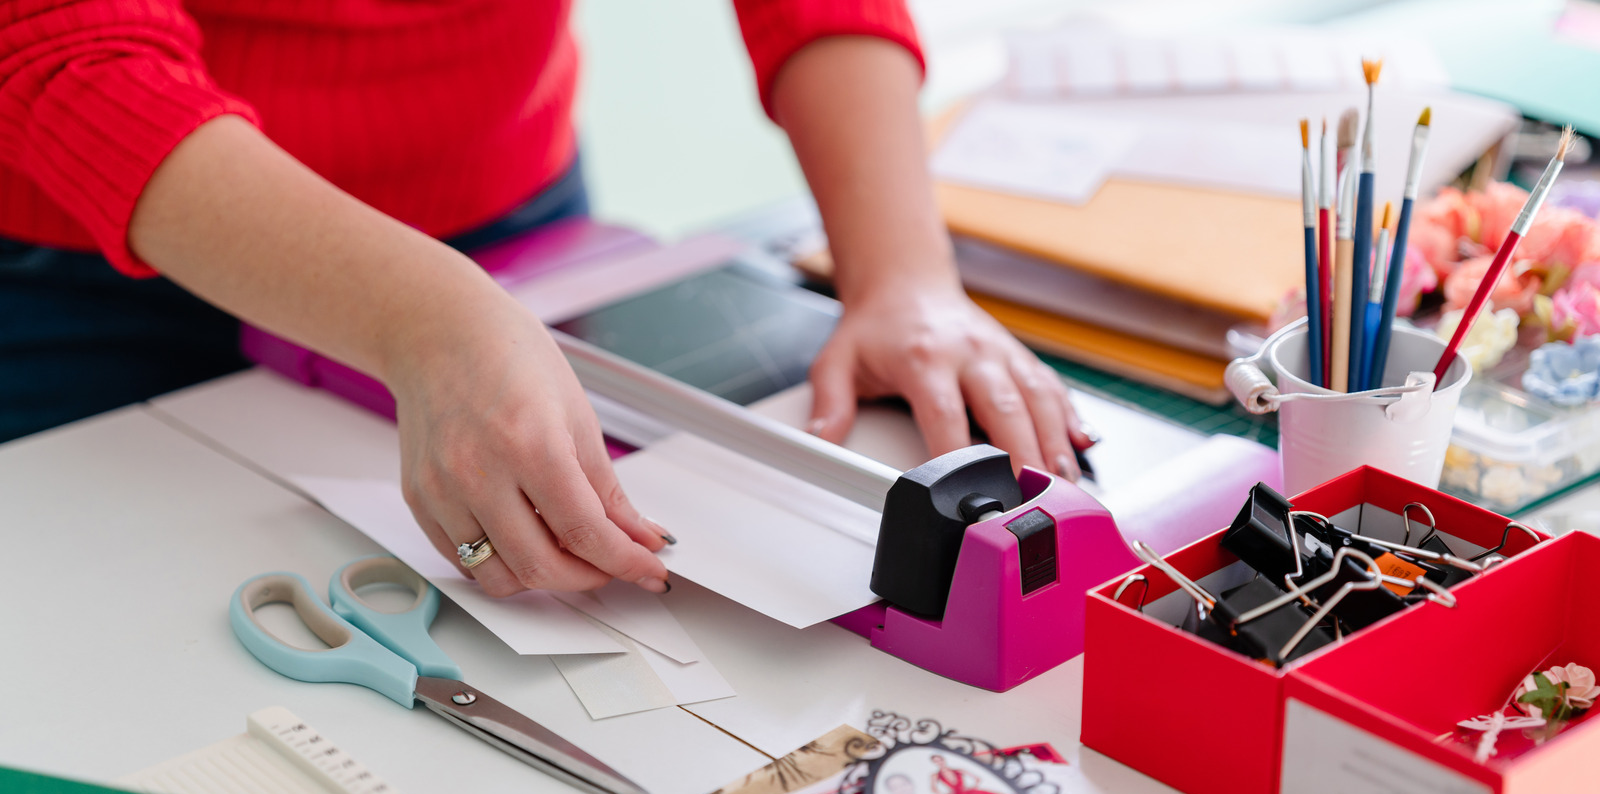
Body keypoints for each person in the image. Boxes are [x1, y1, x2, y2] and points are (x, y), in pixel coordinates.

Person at [0, 0, 1094, 599]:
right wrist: (424, 315)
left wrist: (905, 271)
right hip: (96, 264)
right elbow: (55, 43)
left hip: (516, 221)